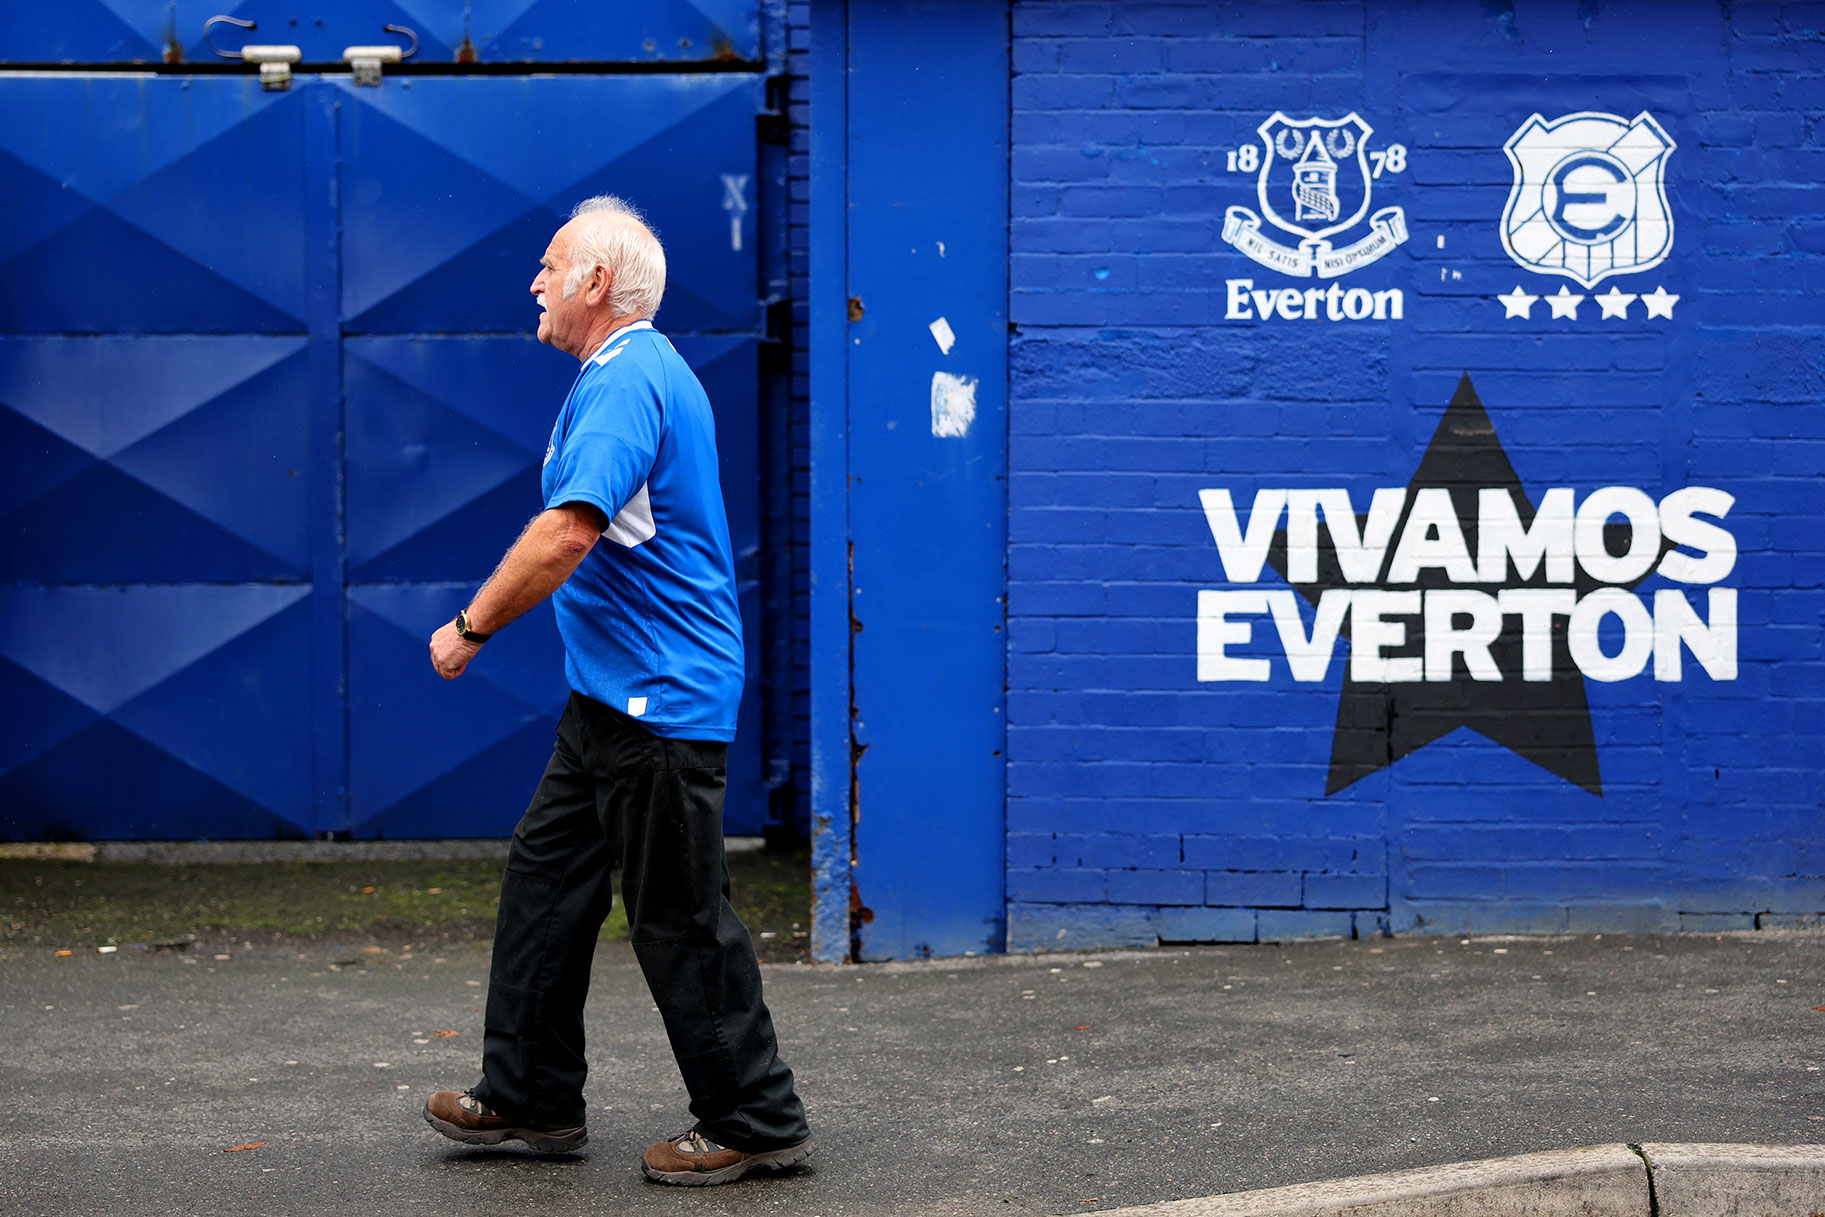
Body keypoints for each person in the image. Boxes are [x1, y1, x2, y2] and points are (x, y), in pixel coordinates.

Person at [419, 196, 813, 1186]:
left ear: (597, 283)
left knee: (678, 914)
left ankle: (754, 1115)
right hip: (607, 699)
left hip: (658, 705)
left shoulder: (630, 377)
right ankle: (531, 1095)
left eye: (551, 265)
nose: (535, 282)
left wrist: (471, 626)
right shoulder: (619, 373)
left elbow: (566, 533)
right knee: (546, 882)